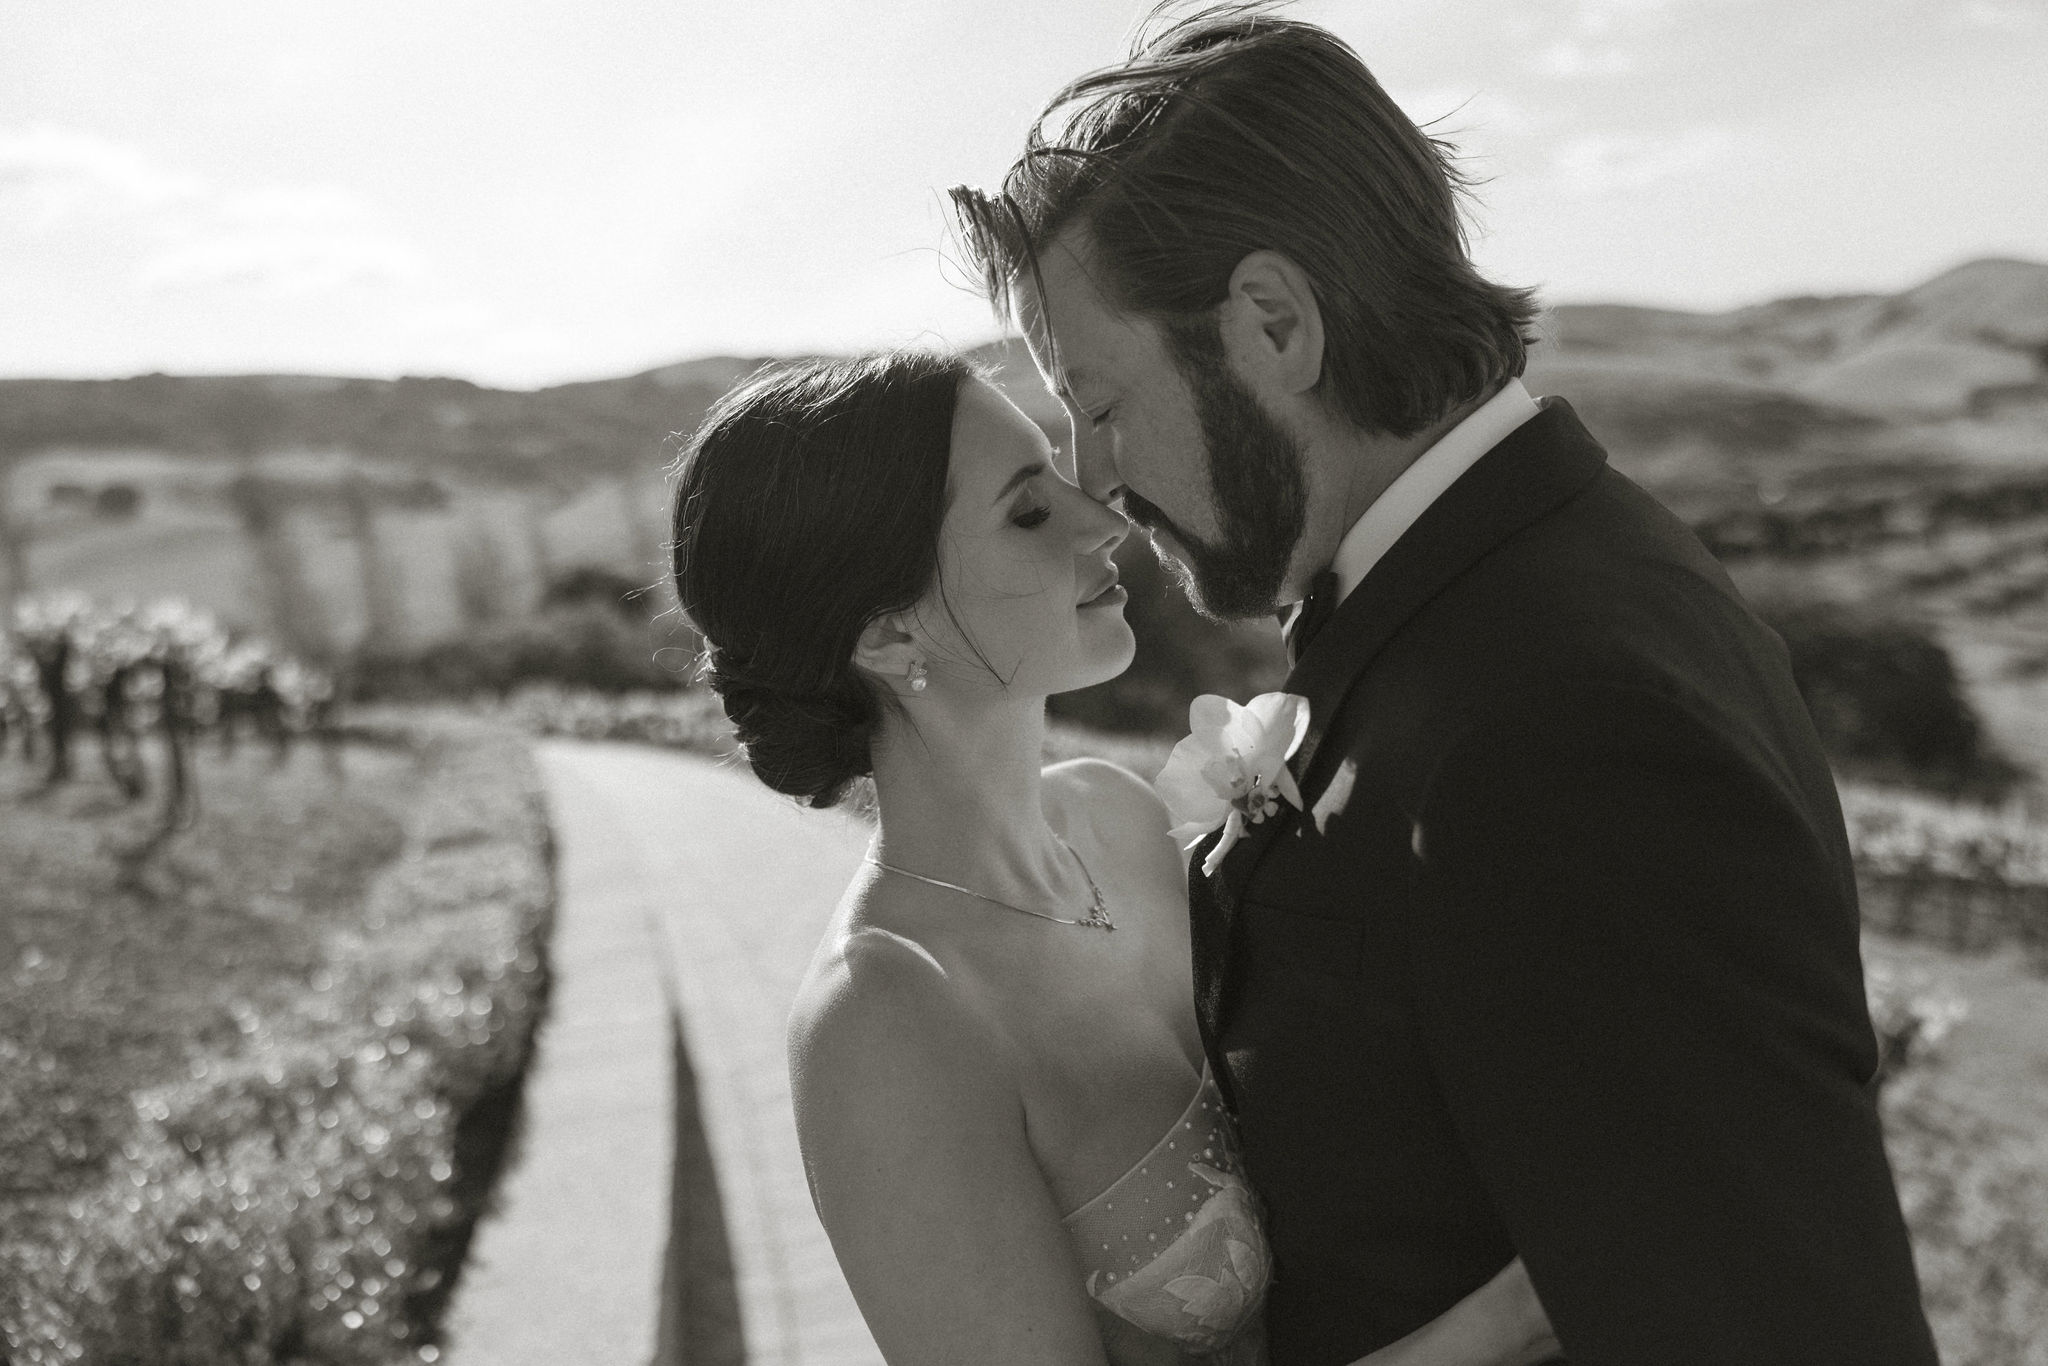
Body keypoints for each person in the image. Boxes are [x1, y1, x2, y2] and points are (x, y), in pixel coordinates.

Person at [946, 6, 1940, 1364]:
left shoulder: (1571, 714)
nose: (1100, 483)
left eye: (1102, 402)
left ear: (1274, 324)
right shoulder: (1480, 608)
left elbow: (1763, 1316)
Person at [670, 349, 1560, 1364]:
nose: (1103, 522)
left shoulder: (1114, 819)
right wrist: (1507, 1317)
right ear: (885, 633)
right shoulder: (881, 1026)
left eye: (1057, 473)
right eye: (1026, 511)